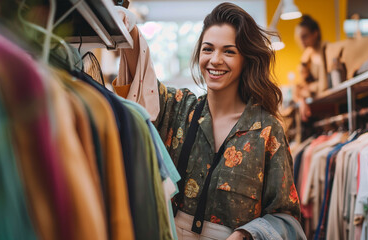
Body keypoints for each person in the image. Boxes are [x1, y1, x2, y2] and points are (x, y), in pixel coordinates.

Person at [114, 2, 305, 239]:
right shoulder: (180, 108)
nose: (215, 60)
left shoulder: (266, 130)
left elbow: (286, 217)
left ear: (246, 59)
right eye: (208, 49)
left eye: (229, 51)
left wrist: (247, 234)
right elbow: (142, 82)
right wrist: (128, 25)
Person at [293, 14, 327, 122]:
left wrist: (307, 89)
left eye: (305, 36)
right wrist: (302, 98)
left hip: (330, 105)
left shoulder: (325, 51)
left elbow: (323, 86)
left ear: (315, 34)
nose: (302, 40)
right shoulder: (306, 57)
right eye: (300, 37)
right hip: (316, 108)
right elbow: (298, 88)